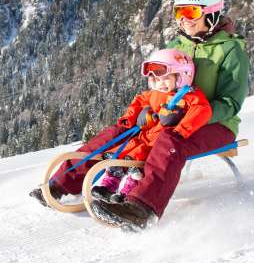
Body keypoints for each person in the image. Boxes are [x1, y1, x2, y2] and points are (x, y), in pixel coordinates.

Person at [31, 0, 250, 231]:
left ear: (211, 13)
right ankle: (62, 183)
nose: (184, 19)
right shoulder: (177, 46)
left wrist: (186, 115)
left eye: (192, 12)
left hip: (215, 124)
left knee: (170, 141)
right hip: (166, 118)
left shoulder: (230, 51)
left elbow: (230, 104)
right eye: (179, 12)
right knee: (119, 132)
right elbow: (159, 87)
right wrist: (147, 110)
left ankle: (142, 207)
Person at [90, 49, 212, 204]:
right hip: (144, 136)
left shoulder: (189, 96)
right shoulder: (155, 93)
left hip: (160, 141)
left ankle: (127, 194)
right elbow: (140, 101)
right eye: (156, 80)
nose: (161, 84)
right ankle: (108, 187)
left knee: (137, 165)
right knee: (121, 157)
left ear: (182, 75)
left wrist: (180, 130)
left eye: (166, 78)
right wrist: (132, 118)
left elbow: (202, 110)